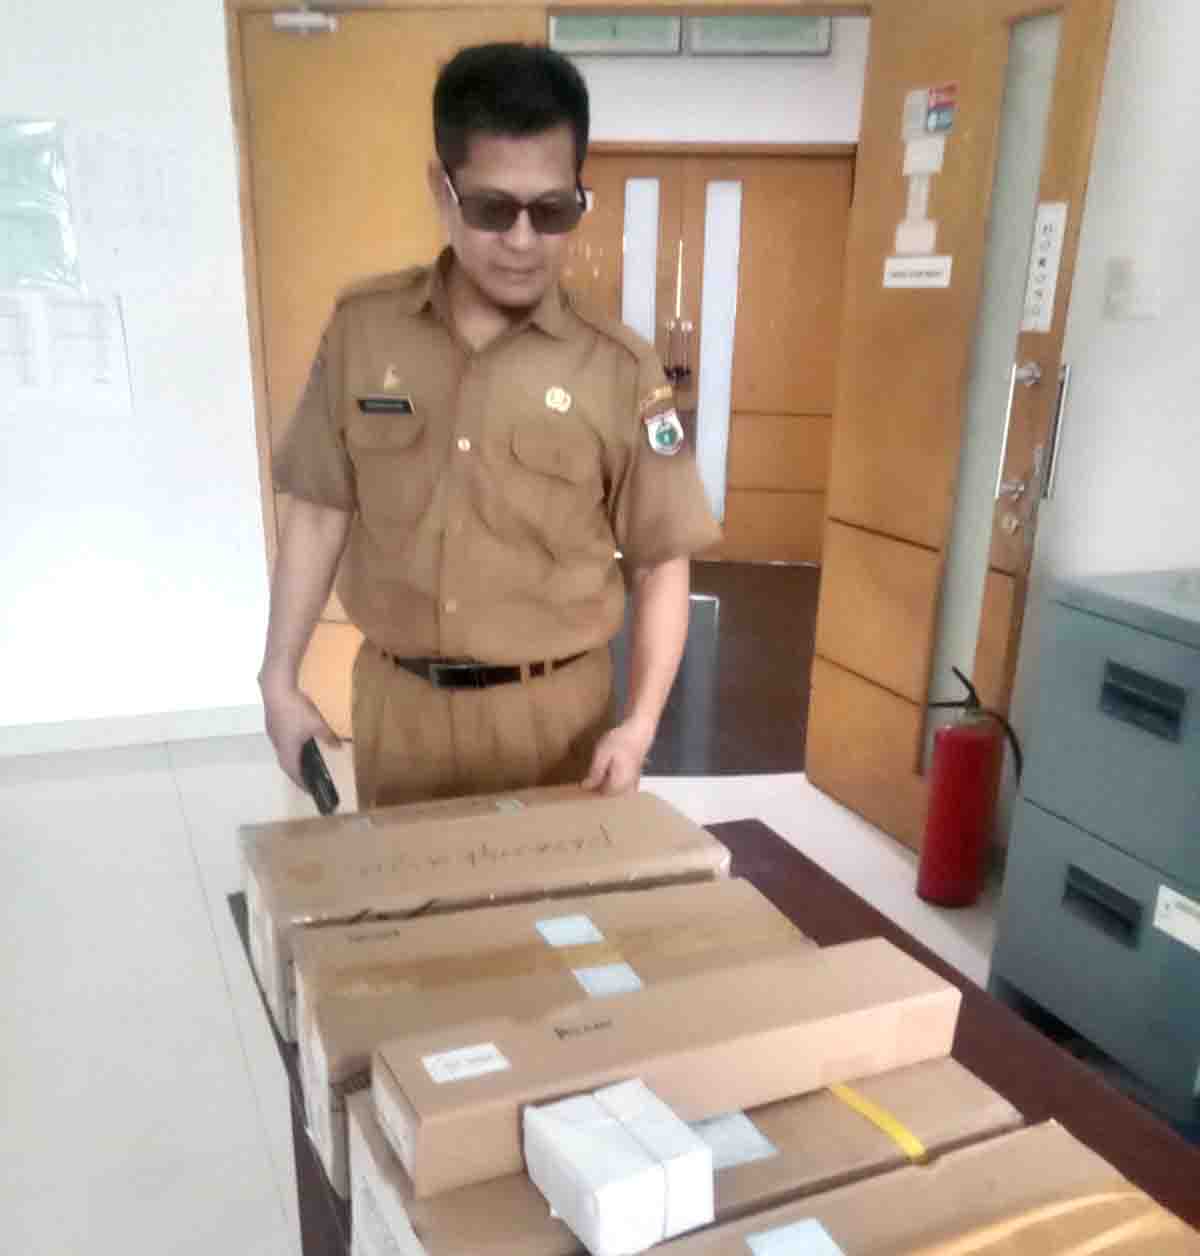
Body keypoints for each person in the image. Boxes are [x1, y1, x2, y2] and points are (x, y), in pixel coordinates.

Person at [259, 42, 721, 809]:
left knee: (555, 894)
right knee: (406, 890)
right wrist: (278, 677)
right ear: (441, 191)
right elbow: (319, 512)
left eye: (553, 211)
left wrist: (639, 727)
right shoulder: (364, 332)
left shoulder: (618, 367)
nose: (522, 240)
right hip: (400, 715)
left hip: (557, 726)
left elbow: (660, 561)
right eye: (492, 209)